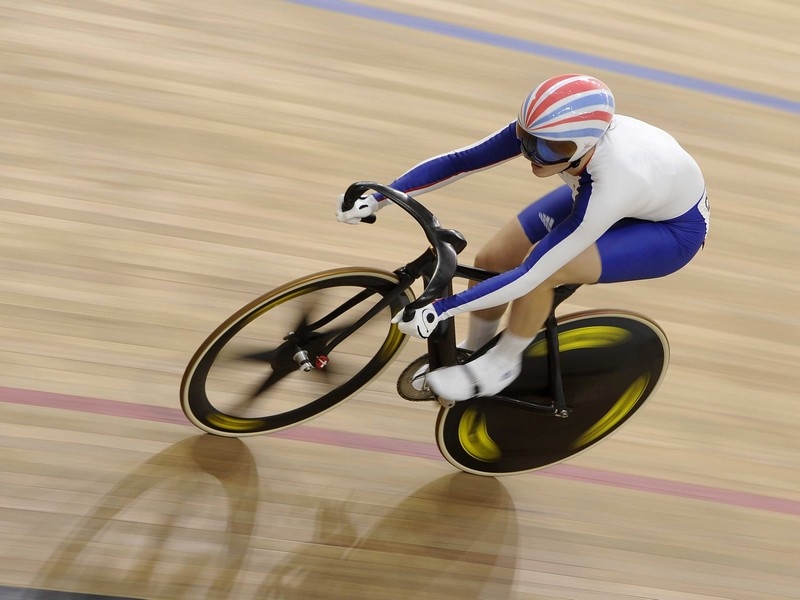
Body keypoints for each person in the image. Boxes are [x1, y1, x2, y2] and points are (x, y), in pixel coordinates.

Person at [335, 73, 709, 402]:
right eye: (526, 138)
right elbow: (459, 161)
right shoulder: (551, 132)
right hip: (619, 192)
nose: (532, 154)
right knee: (494, 258)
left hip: (669, 231)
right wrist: (379, 197)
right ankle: (475, 348)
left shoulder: (612, 182)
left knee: (546, 272)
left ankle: (501, 365)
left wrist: (441, 309)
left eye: (548, 149)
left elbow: (533, 272)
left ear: (582, 147)